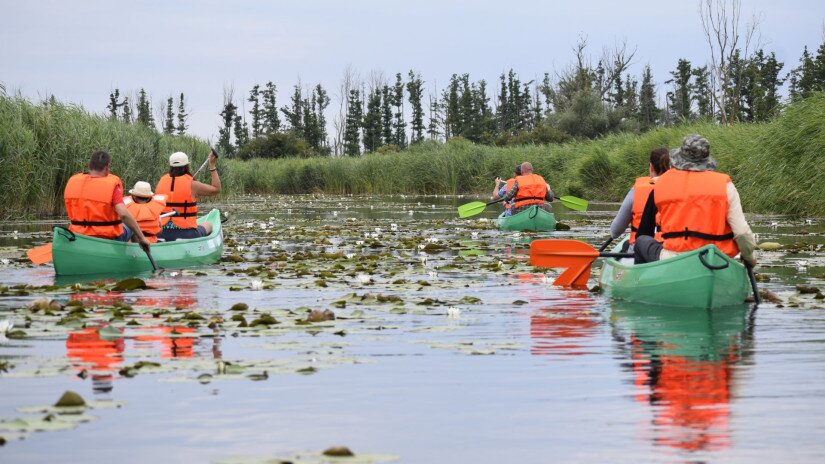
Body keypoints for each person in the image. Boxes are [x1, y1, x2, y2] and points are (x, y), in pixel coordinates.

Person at [634, 134, 756, 266]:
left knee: (641, 241)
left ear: (679, 159)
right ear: (706, 160)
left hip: (673, 259)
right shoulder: (725, 185)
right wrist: (749, 257)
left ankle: (642, 280)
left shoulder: (661, 184)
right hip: (716, 260)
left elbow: (650, 228)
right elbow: (742, 233)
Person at [64, 150, 151, 251]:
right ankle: (137, 253)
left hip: (79, 235)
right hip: (106, 238)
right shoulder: (112, 186)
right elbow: (123, 214)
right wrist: (142, 237)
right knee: (131, 227)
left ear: (89, 165)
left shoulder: (73, 182)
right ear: (107, 167)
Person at [609, 148, 671, 252]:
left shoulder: (637, 190)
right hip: (673, 248)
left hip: (640, 249)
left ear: (651, 167)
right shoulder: (681, 189)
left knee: (625, 245)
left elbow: (615, 231)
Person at [155, 150, 221, 241]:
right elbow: (216, 189)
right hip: (187, 234)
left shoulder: (161, 181)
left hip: (160, 232)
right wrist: (212, 166)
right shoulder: (193, 185)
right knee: (208, 224)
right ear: (187, 166)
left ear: (170, 166)